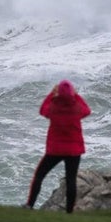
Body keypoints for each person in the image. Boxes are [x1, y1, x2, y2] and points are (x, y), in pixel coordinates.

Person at [22, 79, 91, 212]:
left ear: (58, 93)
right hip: (73, 150)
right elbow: (87, 110)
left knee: (39, 175)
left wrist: (51, 95)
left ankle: (30, 205)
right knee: (71, 180)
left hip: (55, 150)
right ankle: (69, 212)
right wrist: (76, 96)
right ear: (71, 93)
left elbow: (42, 110)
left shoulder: (54, 106)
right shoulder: (76, 107)